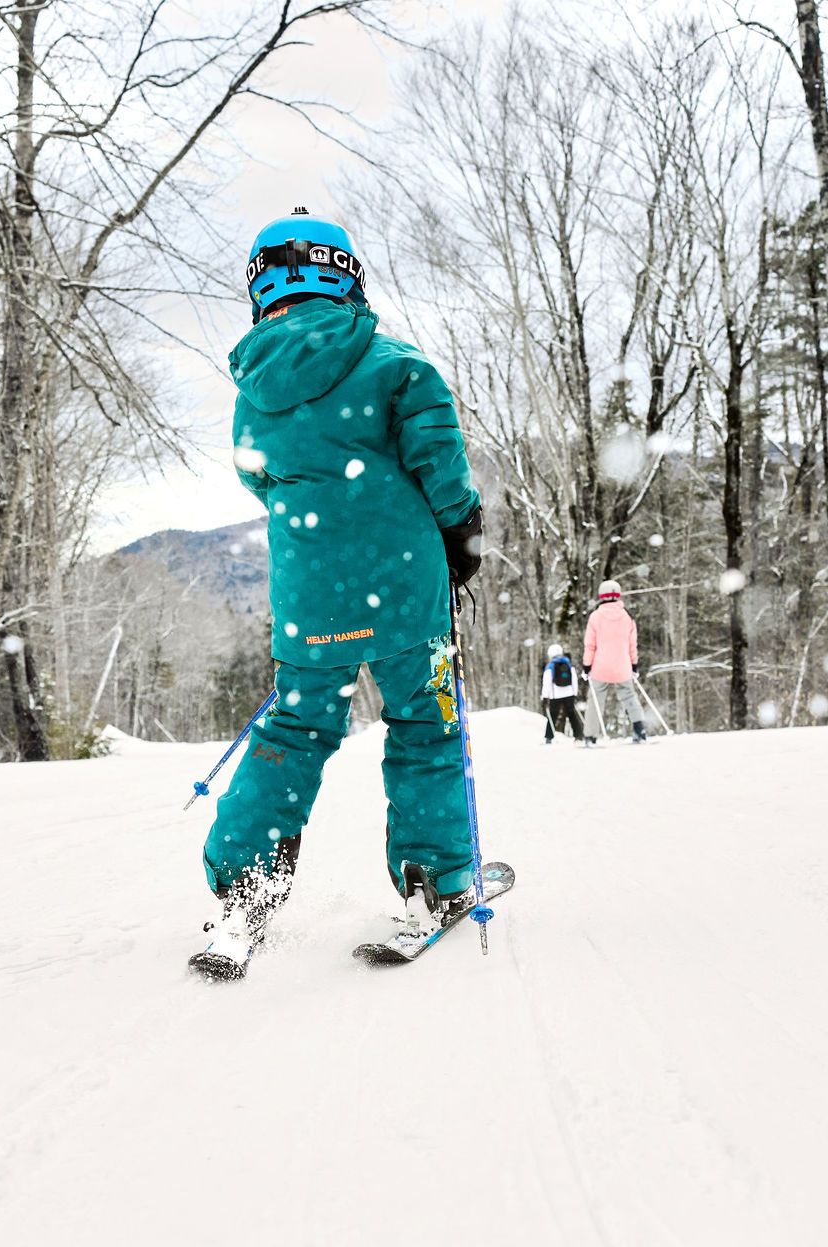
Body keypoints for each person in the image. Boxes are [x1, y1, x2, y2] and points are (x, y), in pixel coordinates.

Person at [193, 208, 486, 976]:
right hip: (404, 586)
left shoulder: (253, 389)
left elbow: (262, 479)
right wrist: (460, 534)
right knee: (425, 724)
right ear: (345, 274)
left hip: (311, 592)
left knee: (294, 730)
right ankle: (435, 880)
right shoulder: (396, 364)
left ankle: (247, 883)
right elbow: (440, 462)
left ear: (262, 290)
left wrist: (321, 533)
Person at [583, 579, 646, 743]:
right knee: (629, 696)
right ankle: (640, 729)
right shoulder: (627, 617)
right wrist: (634, 665)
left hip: (600, 666)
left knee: (596, 699)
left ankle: (590, 735)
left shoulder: (595, 617)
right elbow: (632, 645)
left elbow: (590, 645)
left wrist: (586, 666)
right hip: (622, 666)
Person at [541, 643, 585, 744]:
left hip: (555, 694)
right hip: (569, 693)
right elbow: (574, 678)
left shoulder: (551, 665)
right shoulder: (568, 663)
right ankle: (578, 735)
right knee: (571, 714)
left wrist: (545, 696)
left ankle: (549, 737)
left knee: (553, 715)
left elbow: (547, 682)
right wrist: (574, 692)